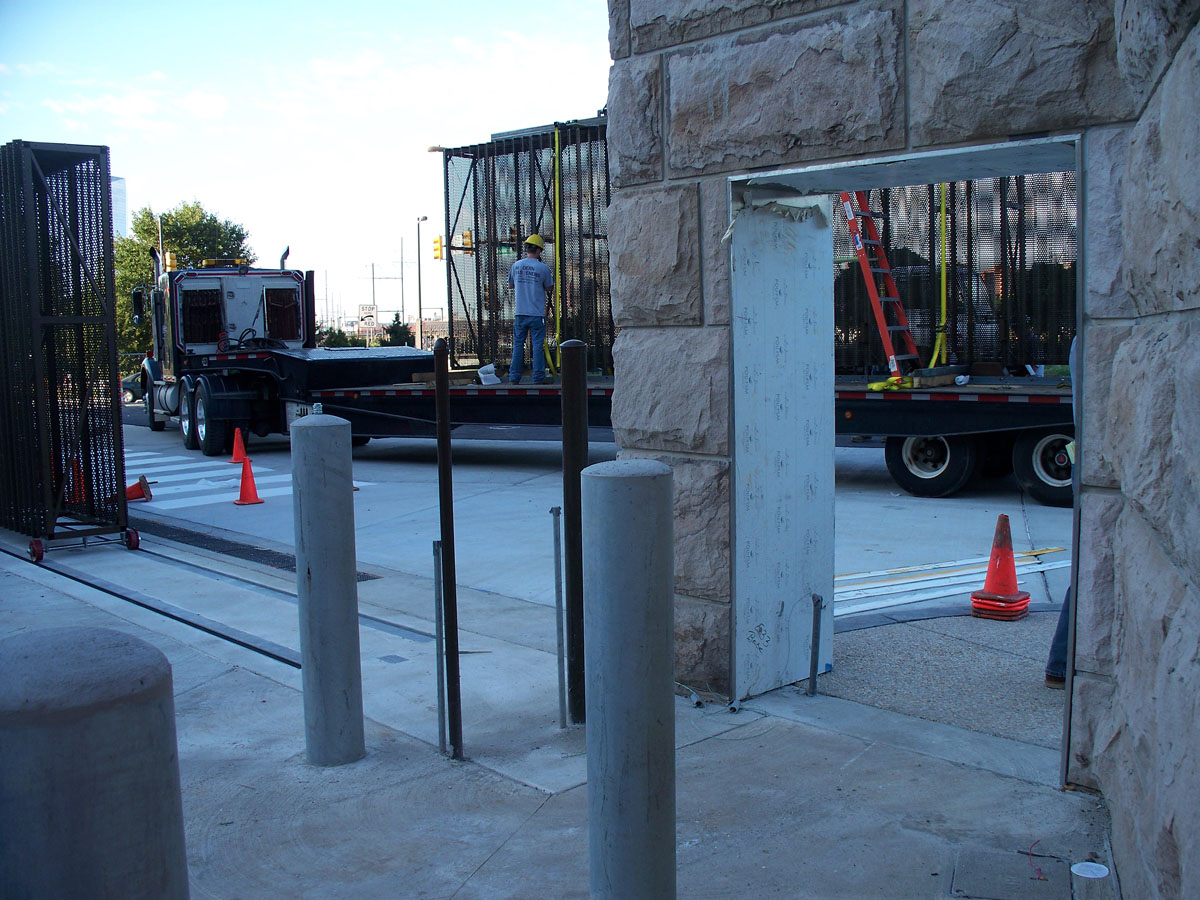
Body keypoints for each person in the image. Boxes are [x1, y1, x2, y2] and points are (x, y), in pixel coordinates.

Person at [1045, 335, 1079, 688]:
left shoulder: (1081, 341)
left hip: (1086, 460)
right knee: (1090, 571)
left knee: (1088, 571)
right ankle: (1061, 665)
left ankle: (1061, 666)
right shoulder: (1089, 339)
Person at [507, 233, 554, 384]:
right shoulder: (543, 268)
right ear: (539, 250)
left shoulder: (516, 266)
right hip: (536, 314)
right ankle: (538, 377)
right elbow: (548, 287)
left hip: (520, 312)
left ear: (527, 248)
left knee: (518, 345)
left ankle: (514, 377)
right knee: (537, 346)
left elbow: (511, 285)